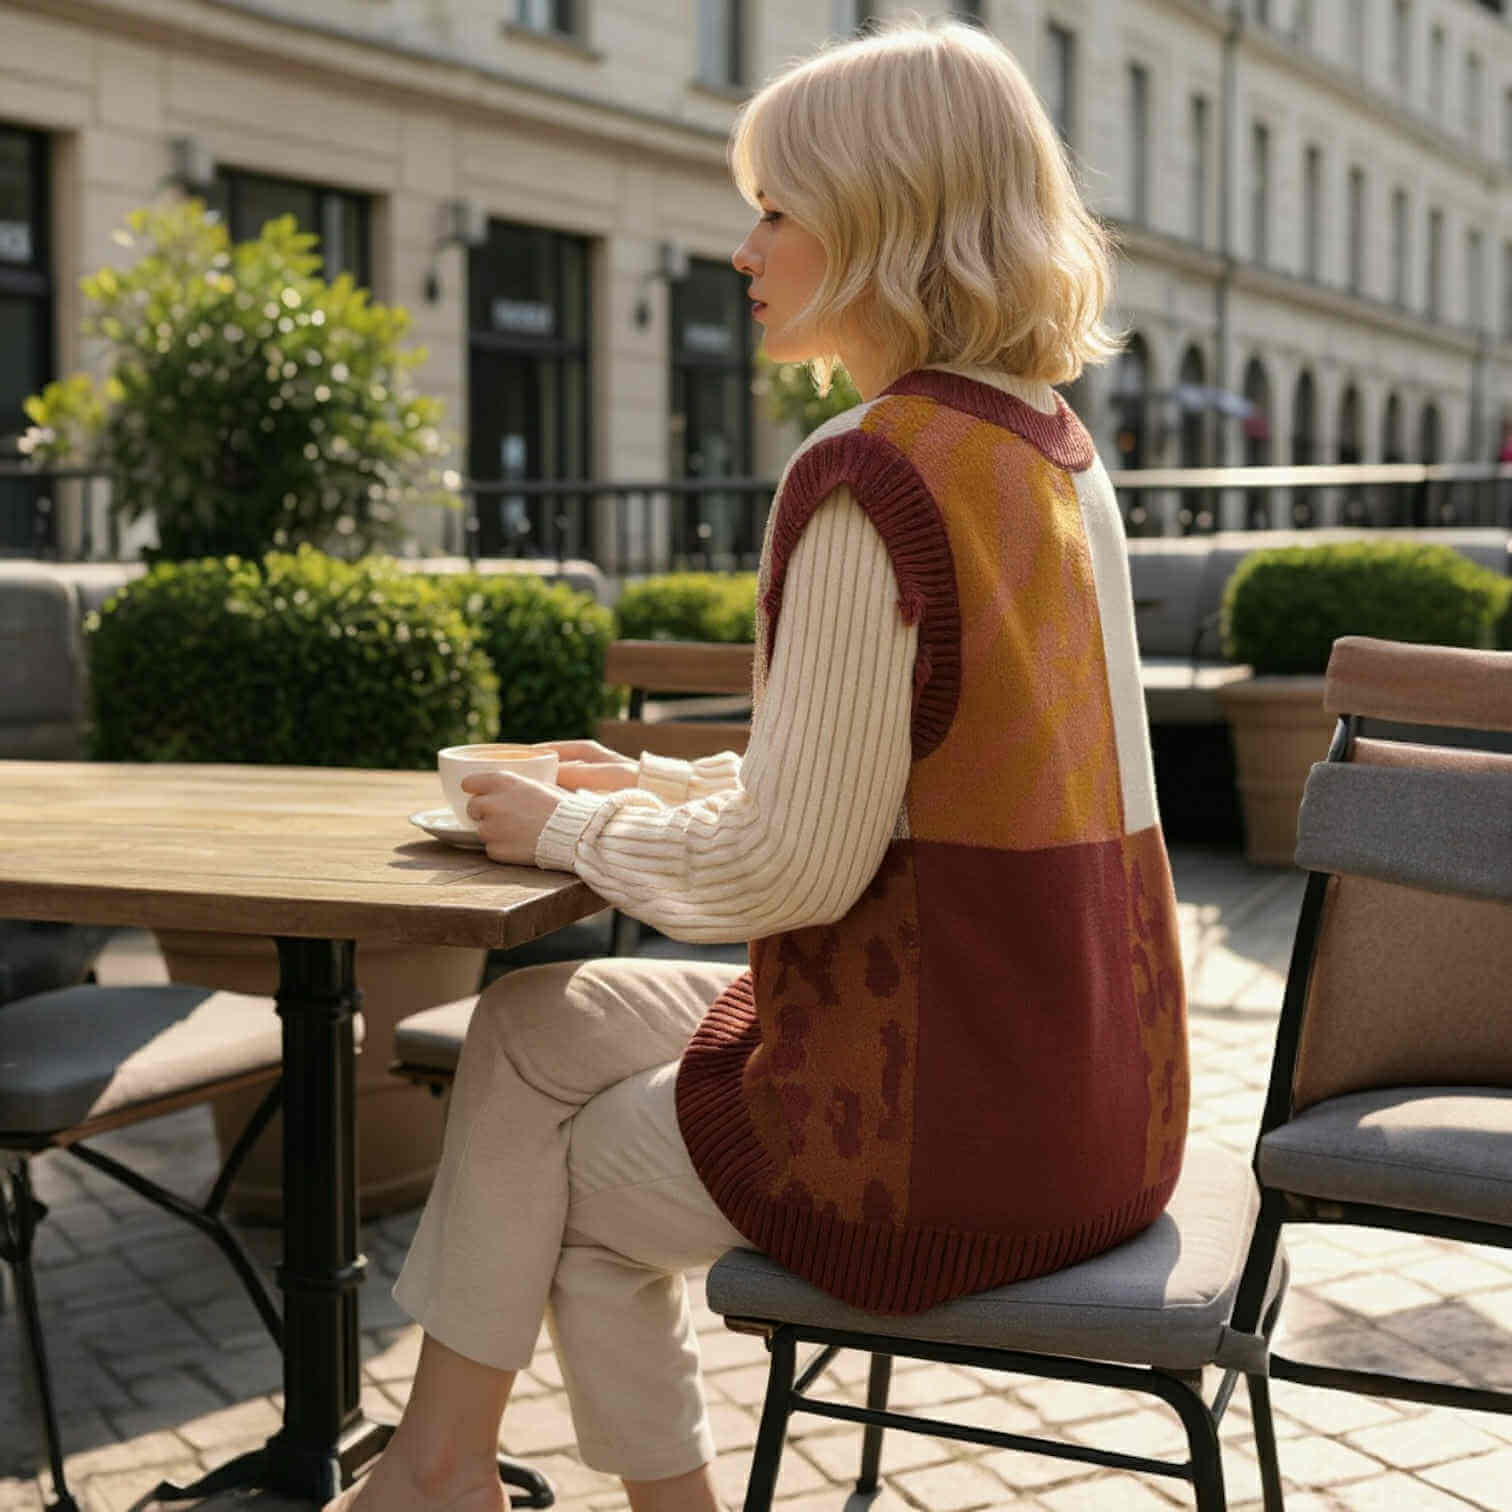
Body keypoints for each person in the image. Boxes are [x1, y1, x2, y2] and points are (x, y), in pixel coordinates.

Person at [328, 18, 1188, 1512]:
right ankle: (437, 1467)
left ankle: (460, 1478)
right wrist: (639, 797)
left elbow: (790, 873)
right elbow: (896, 797)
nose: (745, 245)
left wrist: (556, 839)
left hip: (942, 1135)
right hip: (1092, 1089)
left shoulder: (871, 468)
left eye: (779, 208)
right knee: (533, 1025)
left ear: (883, 219)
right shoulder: (1049, 451)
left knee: (568, 1188)